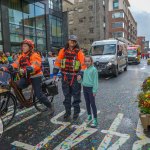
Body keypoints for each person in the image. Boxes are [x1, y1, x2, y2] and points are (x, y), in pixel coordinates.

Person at [1, 39, 52, 110]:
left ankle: (50, 106)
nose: (23, 47)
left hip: (35, 76)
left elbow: (36, 64)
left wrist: (30, 68)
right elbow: (16, 63)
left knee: (38, 94)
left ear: (30, 47)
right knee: (16, 87)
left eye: (25, 46)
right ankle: (22, 102)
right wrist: (9, 67)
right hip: (26, 76)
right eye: (22, 46)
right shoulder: (21, 55)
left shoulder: (35, 55)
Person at [53, 35, 86, 119]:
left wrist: (80, 74)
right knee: (66, 95)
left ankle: (76, 111)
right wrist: (55, 74)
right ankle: (67, 111)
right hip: (65, 76)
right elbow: (57, 63)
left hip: (75, 77)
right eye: (71, 41)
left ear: (76, 43)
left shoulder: (79, 53)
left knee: (76, 95)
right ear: (68, 41)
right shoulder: (62, 51)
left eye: (74, 41)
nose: (72, 42)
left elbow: (83, 65)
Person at [77, 56, 98, 127]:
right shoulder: (85, 69)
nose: (87, 63)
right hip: (85, 88)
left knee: (92, 104)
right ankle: (89, 115)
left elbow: (95, 81)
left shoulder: (94, 69)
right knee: (87, 103)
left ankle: (95, 119)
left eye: (88, 61)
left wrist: (94, 90)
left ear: (91, 62)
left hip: (91, 89)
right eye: (85, 61)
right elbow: (82, 81)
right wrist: (79, 79)